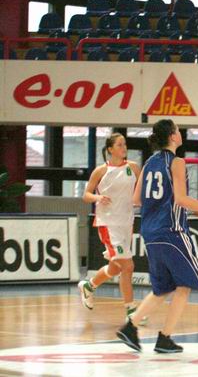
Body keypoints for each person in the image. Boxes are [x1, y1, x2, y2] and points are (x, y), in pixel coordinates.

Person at [117, 119, 198, 354]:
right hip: (171, 230)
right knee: (188, 282)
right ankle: (164, 338)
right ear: (172, 136)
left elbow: (136, 200)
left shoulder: (149, 163)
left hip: (150, 231)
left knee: (163, 288)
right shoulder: (176, 162)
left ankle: (131, 327)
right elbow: (182, 200)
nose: (180, 133)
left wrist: (157, 203)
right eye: (177, 130)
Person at [78, 134, 141, 319]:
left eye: (125, 144)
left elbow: (142, 190)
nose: (124, 147)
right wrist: (98, 197)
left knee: (115, 268)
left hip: (126, 223)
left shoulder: (133, 167)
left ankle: (89, 286)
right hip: (108, 223)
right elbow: (86, 195)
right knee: (127, 266)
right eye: (120, 145)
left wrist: (141, 201)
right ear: (110, 149)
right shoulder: (101, 171)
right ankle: (131, 309)